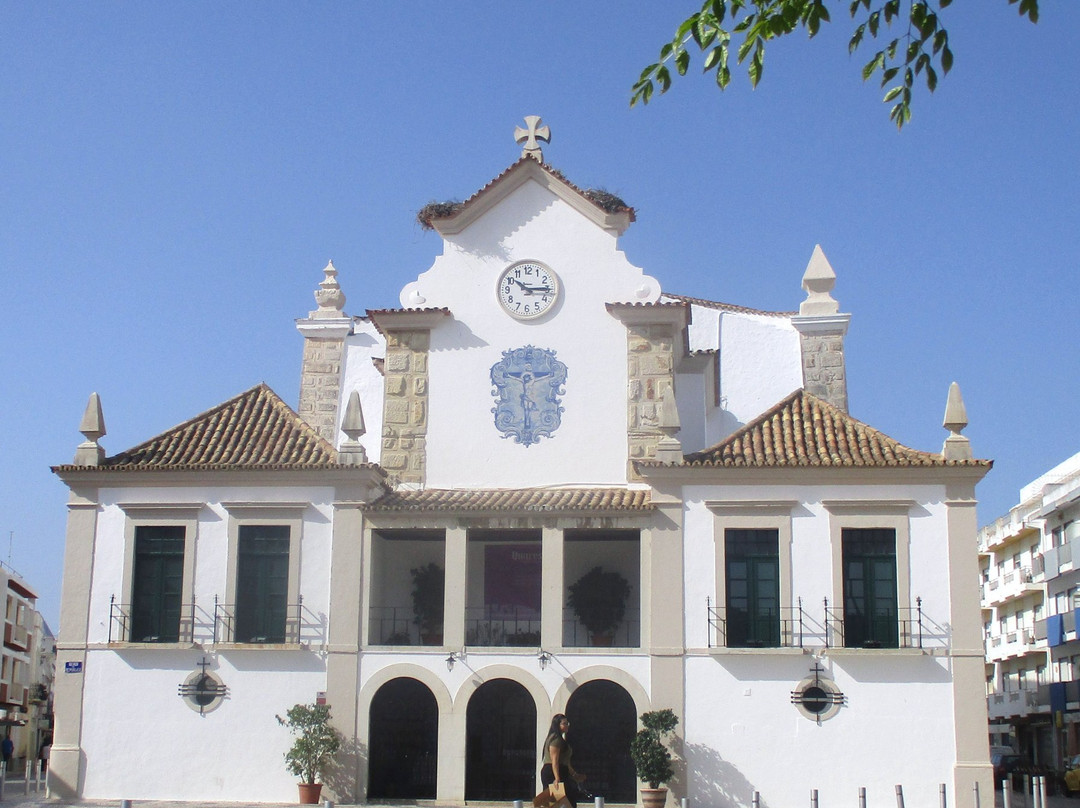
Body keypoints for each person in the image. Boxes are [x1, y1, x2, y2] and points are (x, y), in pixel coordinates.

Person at [540, 713, 586, 808]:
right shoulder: (556, 740)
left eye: (567, 723)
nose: (567, 725)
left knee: (560, 803)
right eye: (564, 723)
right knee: (562, 801)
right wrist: (557, 778)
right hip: (553, 772)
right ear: (558, 725)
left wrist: (574, 774)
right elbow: (555, 761)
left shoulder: (560, 739)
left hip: (560, 770)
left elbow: (565, 761)